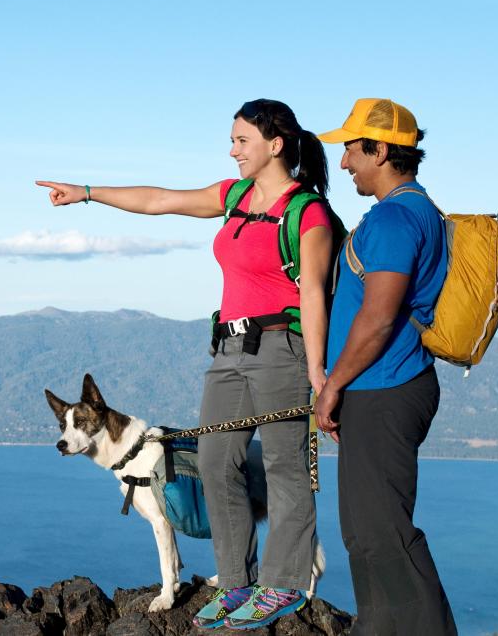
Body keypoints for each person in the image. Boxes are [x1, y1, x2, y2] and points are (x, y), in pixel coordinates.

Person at [36, 99, 334, 630]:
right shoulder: (235, 195)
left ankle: (283, 585)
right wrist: (86, 193)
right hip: (228, 351)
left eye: (242, 140)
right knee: (216, 461)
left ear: (275, 144)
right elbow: (158, 200)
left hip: (281, 348)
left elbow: (312, 292)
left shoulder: (305, 210)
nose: (232, 149)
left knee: (286, 467)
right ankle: (236, 582)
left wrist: (318, 374)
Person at [314, 98, 458, 635]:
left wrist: (332, 387)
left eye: (351, 149)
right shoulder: (415, 211)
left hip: (384, 389)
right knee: (365, 531)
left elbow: (377, 320)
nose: (345, 162)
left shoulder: (396, 218)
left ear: (378, 150)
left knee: (385, 531)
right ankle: (376, 627)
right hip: (384, 388)